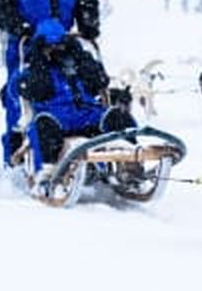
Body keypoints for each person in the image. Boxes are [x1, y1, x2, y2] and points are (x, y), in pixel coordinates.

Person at [0, 0, 100, 165]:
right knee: (20, 94)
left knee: (75, 85)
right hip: (26, 43)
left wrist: (89, 22)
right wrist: (21, 27)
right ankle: (17, 151)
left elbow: (87, 3)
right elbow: (0, 6)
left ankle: (88, 133)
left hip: (64, 43)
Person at [16, 19, 134, 184]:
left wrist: (83, 60)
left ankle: (131, 163)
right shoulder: (32, 71)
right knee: (43, 125)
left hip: (88, 116)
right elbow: (29, 89)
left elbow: (100, 81)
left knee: (118, 116)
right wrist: (39, 62)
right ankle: (49, 175)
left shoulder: (78, 63)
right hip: (56, 120)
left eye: (60, 45)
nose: (56, 50)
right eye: (50, 46)